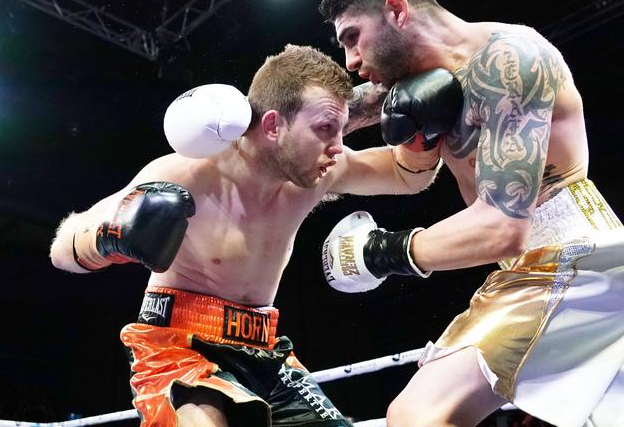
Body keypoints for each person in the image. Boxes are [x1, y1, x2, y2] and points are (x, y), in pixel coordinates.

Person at [319, 0, 624, 427]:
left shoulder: (508, 61)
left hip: (576, 260)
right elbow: (388, 154)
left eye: (353, 37)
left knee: (419, 414)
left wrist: (383, 252)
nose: (349, 59)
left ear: (396, 9)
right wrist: (260, 128)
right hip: (539, 270)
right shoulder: (426, 86)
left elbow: (501, 227)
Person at [48, 44, 456, 427]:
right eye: (325, 129)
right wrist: (107, 235)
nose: (338, 147)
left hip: (264, 347)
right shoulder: (185, 175)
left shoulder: (320, 172)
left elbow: (406, 175)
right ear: (274, 125)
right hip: (178, 344)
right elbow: (62, 248)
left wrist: (423, 135)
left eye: (340, 131)